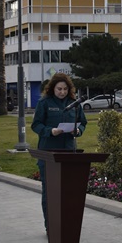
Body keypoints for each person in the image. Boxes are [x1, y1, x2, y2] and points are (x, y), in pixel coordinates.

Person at [31, 73, 87, 232]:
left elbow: (83, 123)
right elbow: (36, 125)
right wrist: (50, 131)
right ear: (52, 88)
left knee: (69, 191)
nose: (62, 92)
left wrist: (78, 131)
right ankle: (50, 226)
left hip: (68, 150)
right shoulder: (44, 103)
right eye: (59, 89)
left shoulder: (74, 104)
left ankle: (67, 224)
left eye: (65, 89)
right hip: (48, 151)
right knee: (49, 191)